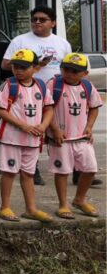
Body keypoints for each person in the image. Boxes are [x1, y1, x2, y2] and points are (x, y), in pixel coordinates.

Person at [1, 5, 72, 186]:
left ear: (53, 23)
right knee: (35, 130)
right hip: (32, 92)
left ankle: (76, 168)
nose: (37, 23)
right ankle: (34, 169)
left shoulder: (62, 43)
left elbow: (69, 67)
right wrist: (32, 64)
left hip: (58, 91)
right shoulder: (20, 40)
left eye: (42, 20)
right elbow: (5, 64)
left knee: (67, 130)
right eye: (34, 20)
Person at [0, 49, 54, 223]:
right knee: (9, 172)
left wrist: (43, 126)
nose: (18, 70)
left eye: (23, 67)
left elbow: (49, 108)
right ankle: (5, 207)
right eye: (15, 67)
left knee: (28, 173)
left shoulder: (41, 86)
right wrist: (22, 125)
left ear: (35, 68)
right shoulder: (9, 85)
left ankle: (31, 208)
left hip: (33, 140)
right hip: (12, 138)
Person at [45, 53, 102, 219]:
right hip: (60, 139)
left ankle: (79, 199)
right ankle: (63, 204)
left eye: (74, 71)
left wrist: (89, 127)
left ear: (84, 73)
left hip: (81, 137)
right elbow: (46, 108)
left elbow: (94, 107)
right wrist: (54, 129)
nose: (69, 73)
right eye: (66, 69)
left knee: (90, 169)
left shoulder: (87, 86)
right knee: (62, 172)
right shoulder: (54, 84)